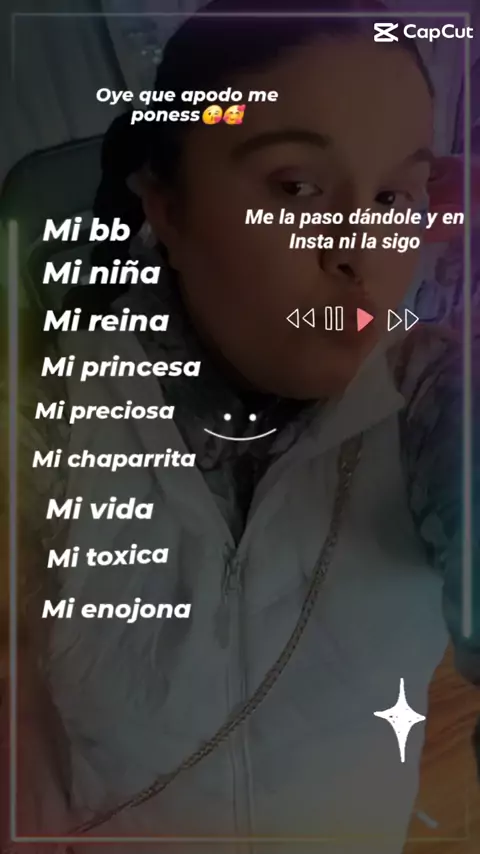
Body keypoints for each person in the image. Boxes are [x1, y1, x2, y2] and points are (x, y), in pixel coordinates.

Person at [1, 1, 478, 852]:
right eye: (297, 189)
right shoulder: (50, 412)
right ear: (167, 207)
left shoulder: (431, 400)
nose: (360, 248)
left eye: (392, 196)